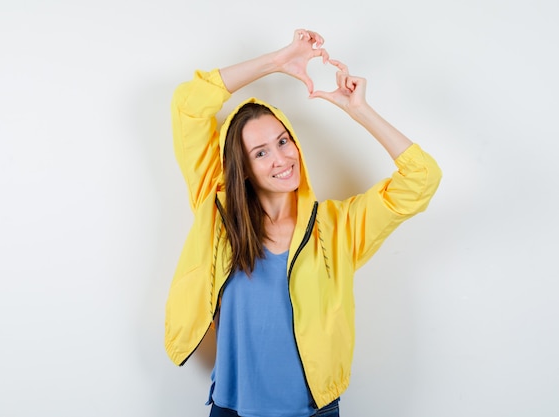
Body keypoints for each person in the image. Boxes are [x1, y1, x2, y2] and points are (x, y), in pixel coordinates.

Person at [165, 29, 442, 417]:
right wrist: (276, 62)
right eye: (260, 152)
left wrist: (359, 110)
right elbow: (188, 104)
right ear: (242, 169)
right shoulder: (217, 212)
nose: (281, 158)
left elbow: (422, 179)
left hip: (313, 412)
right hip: (230, 410)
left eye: (283, 141)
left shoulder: (337, 227)